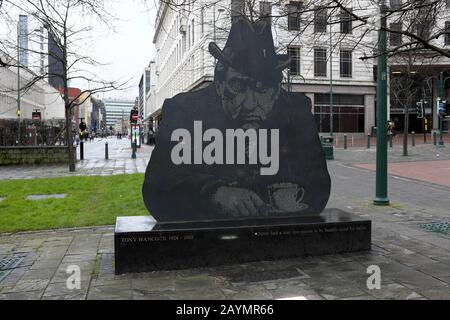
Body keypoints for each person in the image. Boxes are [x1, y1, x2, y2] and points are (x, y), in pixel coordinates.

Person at [142, 17, 331, 222]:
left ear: (277, 90)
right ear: (220, 84)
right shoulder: (185, 110)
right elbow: (158, 185)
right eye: (238, 86)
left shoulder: (296, 110)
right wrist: (214, 193)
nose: (250, 103)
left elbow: (318, 186)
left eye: (262, 88)